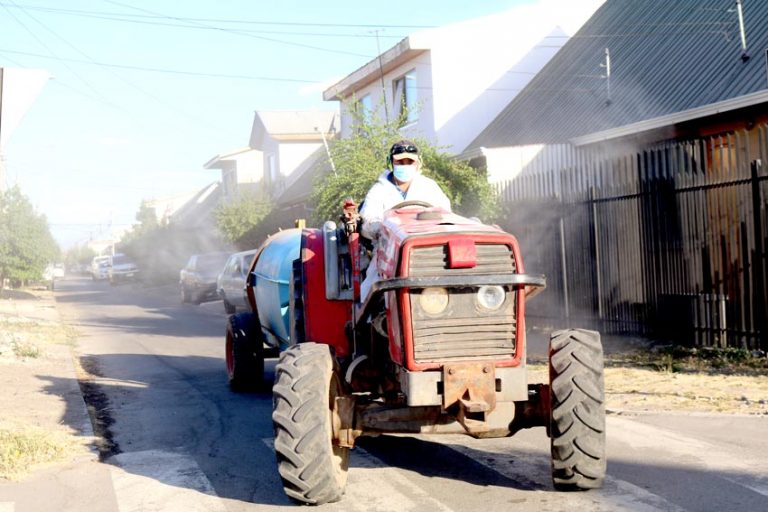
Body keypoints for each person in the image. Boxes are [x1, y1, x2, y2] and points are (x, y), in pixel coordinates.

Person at [358, 140, 451, 301]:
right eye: (400, 162)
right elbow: (368, 220)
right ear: (391, 162)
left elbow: (446, 214)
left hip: (430, 252)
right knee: (370, 291)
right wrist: (379, 228)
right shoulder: (379, 190)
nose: (405, 165)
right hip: (388, 254)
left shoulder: (430, 187)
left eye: (410, 161)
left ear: (418, 163)